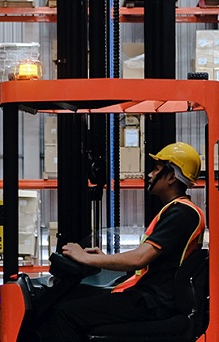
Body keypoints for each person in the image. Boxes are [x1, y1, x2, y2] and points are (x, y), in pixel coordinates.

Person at [37, 142, 206, 342]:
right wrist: (103, 259)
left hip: (152, 302)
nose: (150, 175)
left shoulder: (182, 213)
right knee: (79, 304)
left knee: (64, 314)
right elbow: (150, 262)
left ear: (171, 177)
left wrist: (85, 258)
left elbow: (139, 259)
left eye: (156, 169)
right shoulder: (178, 211)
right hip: (154, 298)